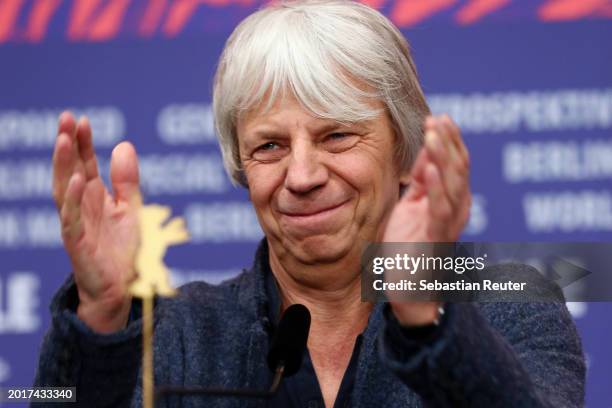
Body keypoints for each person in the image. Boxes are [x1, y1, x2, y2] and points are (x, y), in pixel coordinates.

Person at [34, 1, 585, 407]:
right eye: (270, 146)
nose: (301, 176)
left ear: (403, 150)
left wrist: (423, 311)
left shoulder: (511, 301)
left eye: (337, 136)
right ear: (241, 166)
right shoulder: (176, 330)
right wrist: (101, 318)